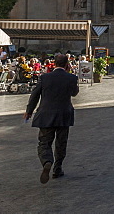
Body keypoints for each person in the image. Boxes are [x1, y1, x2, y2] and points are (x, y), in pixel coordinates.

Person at [24, 53, 79, 183]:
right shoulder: (71, 78)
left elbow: (35, 95)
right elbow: (74, 93)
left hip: (46, 114)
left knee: (44, 142)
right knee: (61, 143)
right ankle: (57, 169)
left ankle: (47, 161)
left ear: (54, 63)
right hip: (64, 115)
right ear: (67, 64)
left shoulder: (44, 77)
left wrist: (29, 111)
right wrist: (70, 75)